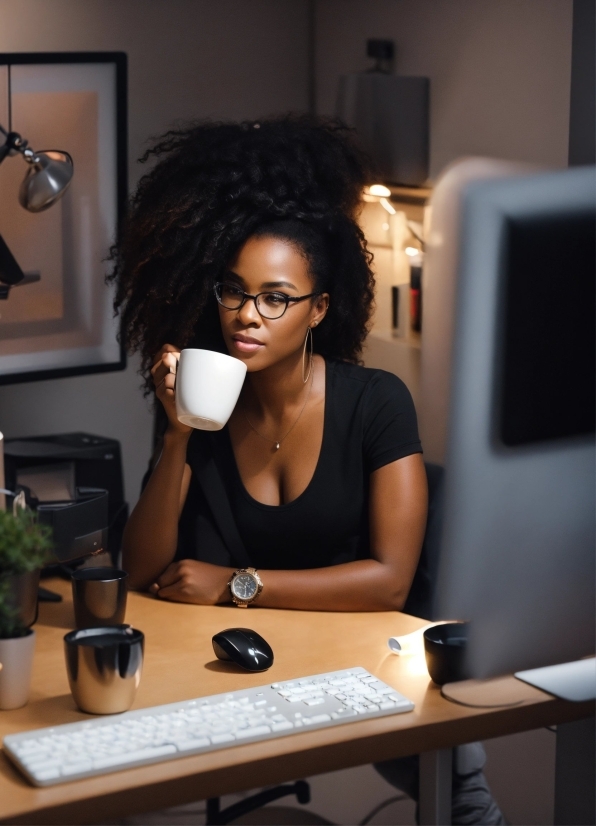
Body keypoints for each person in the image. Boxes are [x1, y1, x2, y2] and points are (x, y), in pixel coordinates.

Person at [110, 114, 504, 824]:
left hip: (366, 665)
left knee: (461, 797)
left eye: (275, 297)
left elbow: (389, 578)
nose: (247, 316)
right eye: (234, 291)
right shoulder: (205, 403)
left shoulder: (376, 403)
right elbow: (140, 570)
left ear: (320, 308)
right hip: (237, 674)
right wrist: (176, 437)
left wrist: (237, 586)